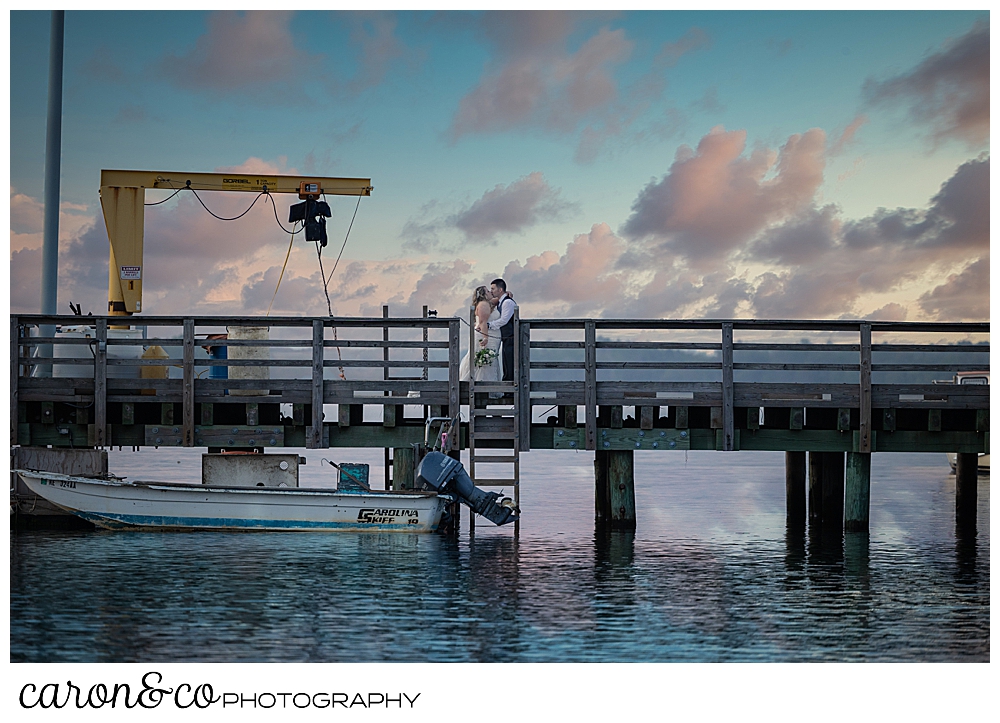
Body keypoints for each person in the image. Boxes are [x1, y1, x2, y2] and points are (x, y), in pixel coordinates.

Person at [458, 285, 502, 383]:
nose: (490, 292)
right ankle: (482, 385)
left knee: (489, 360)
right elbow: (483, 322)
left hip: (492, 337)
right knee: (485, 360)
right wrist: (485, 338)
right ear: (483, 295)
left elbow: (498, 299)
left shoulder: (488, 303)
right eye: (487, 291)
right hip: (486, 337)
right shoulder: (483, 305)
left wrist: (507, 294)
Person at [487, 278, 518, 382]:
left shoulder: (507, 302)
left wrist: (489, 325)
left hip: (511, 336)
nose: (491, 291)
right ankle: (507, 387)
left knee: (510, 363)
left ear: (500, 290)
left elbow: (504, 320)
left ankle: (510, 389)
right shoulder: (501, 301)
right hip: (507, 337)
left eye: (493, 288)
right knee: (506, 362)